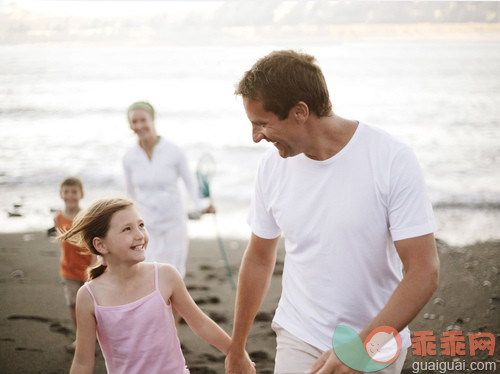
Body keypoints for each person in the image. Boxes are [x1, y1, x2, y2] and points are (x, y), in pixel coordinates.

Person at [225, 50, 440, 374]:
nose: (256, 137)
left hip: (377, 341)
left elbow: (424, 271)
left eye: (262, 124)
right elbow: (258, 257)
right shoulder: (271, 168)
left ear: (300, 112)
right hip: (299, 334)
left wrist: (361, 347)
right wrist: (237, 348)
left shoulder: (390, 159)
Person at [59, 197, 232, 374]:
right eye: (127, 229)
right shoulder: (89, 296)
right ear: (101, 245)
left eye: (141, 225)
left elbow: (201, 323)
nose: (139, 235)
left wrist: (235, 353)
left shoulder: (165, 276)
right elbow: (82, 363)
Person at [123, 101, 214, 280]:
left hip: (174, 221)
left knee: (174, 273)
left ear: (153, 119)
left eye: (143, 120)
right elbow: (130, 195)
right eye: (134, 122)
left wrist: (201, 205)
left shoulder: (174, 151)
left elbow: (190, 183)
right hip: (146, 224)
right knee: (147, 272)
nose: (139, 126)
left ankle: (173, 309)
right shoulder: (129, 157)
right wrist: (126, 223)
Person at [55, 176, 94, 353]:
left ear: (81, 194)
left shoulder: (87, 217)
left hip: (88, 271)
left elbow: (94, 245)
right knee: (73, 306)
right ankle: (81, 338)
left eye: (74, 192)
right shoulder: (59, 217)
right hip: (68, 271)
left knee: (91, 307)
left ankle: (96, 337)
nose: (70, 195)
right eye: (66, 192)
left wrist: (92, 267)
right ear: (61, 194)